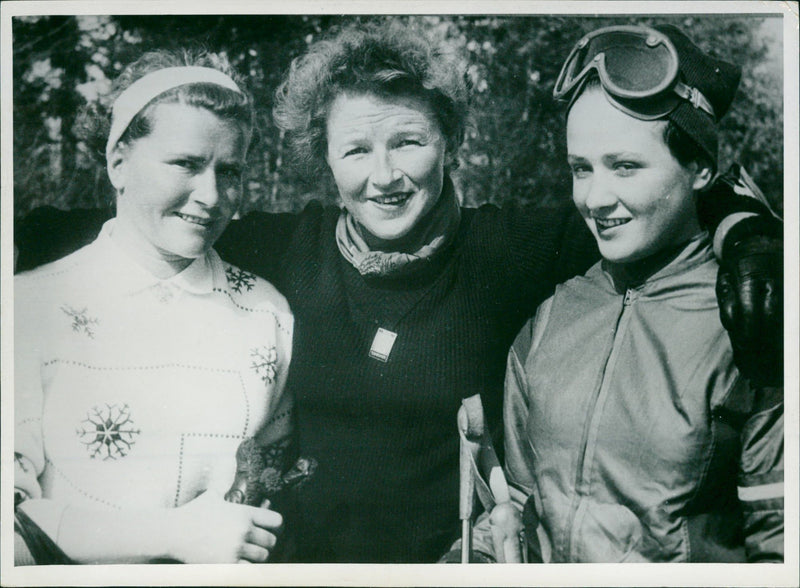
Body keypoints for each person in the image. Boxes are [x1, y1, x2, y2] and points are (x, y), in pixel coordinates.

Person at [14, 22, 781, 563]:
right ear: (326, 158)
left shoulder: (515, 250)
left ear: (449, 140)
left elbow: (665, 185)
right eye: (356, 149)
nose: (383, 176)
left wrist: (751, 234)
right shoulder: (280, 247)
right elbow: (112, 222)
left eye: (407, 141)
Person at [459, 24, 783, 563]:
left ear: (700, 168)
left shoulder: (756, 322)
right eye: (580, 169)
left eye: (625, 166)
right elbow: (509, 512)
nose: (594, 197)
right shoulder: (551, 316)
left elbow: (782, 548)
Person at [14, 49, 294, 564]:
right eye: (186, 163)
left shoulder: (266, 313)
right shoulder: (28, 305)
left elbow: (268, 481)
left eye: (228, 171)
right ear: (118, 163)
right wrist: (171, 536)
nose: (210, 194)